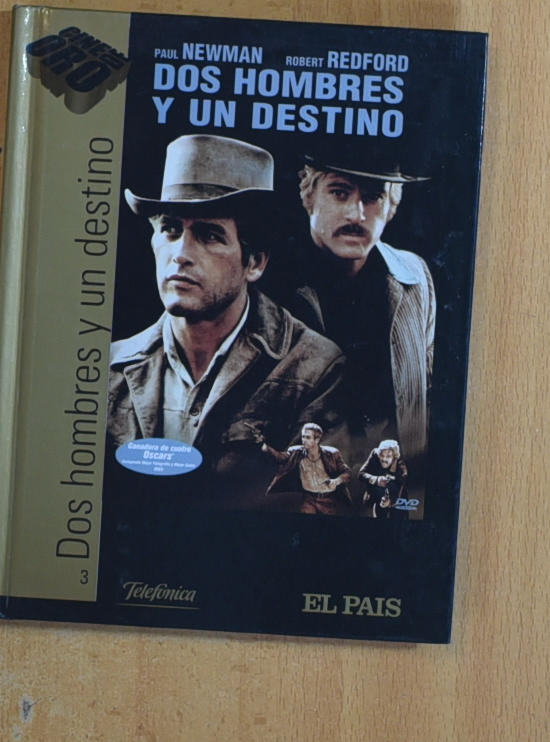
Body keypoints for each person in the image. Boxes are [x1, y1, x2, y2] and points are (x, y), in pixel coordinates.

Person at [107, 135, 345, 508]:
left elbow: (312, 511)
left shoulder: (314, 370)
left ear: (254, 263)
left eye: (209, 235)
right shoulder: (111, 366)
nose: (180, 254)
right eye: (170, 229)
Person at [290, 146, 435, 466]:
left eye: (373, 197)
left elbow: (425, 391)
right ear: (309, 196)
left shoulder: (413, 275)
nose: (356, 215)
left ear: (391, 206)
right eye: (339, 193)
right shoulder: (273, 282)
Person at [251, 422, 352, 515]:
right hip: (308, 499)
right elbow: (279, 457)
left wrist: (336, 481)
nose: (304, 440)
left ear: (317, 440)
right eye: (303, 437)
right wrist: (263, 445)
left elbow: (347, 472)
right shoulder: (296, 453)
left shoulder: (331, 454)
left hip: (327, 500)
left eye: (308, 437)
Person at [357, 439, 408, 519]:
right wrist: (376, 480)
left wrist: (390, 501)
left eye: (388, 456)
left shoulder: (401, 470)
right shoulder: (375, 454)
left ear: (394, 457)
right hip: (377, 496)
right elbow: (361, 474)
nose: (384, 459)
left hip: (396, 498)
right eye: (382, 455)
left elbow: (398, 490)